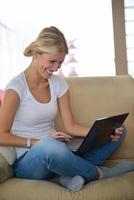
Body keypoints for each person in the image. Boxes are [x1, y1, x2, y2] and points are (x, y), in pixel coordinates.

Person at [0, 26, 134, 192]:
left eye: (60, 62)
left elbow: (71, 126)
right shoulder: (16, 88)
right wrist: (38, 142)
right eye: (52, 61)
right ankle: (101, 173)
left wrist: (101, 132)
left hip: (59, 150)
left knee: (118, 129)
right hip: (29, 161)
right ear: (36, 54)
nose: (56, 68)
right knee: (51, 147)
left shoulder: (58, 83)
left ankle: (67, 176)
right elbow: (1, 135)